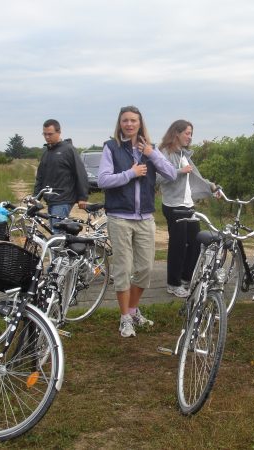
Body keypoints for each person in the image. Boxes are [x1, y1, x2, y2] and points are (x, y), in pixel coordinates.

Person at [97, 106, 177, 338]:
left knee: (145, 269)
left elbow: (171, 174)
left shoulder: (149, 149)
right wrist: (130, 173)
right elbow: (102, 180)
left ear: (140, 124)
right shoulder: (111, 147)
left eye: (133, 120)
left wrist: (153, 154)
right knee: (123, 269)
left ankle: (133, 310)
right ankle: (124, 318)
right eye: (125, 121)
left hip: (145, 218)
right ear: (119, 124)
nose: (129, 124)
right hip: (119, 217)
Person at [157, 120, 219, 298]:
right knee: (178, 246)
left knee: (195, 242)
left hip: (188, 205)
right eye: (187, 133)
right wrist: (179, 171)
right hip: (173, 206)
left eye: (191, 133)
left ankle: (186, 279)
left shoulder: (184, 154)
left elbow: (196, 178)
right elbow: (157, 178)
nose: (190, 137)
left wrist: (213, 187)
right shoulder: (165, 153)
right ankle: (173, 284)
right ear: (176, 133)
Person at [34, 119, 89, 229]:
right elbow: (40, 177)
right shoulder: (46, 152)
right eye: (44, 134)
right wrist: (35, 197)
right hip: (50, 199)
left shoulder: (68, 150)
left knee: (57, 231)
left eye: (50, 134)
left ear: (59, 132)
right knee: (55, 230)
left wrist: (82, 197)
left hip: (64, 198)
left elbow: (81, 173)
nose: (47, 137)